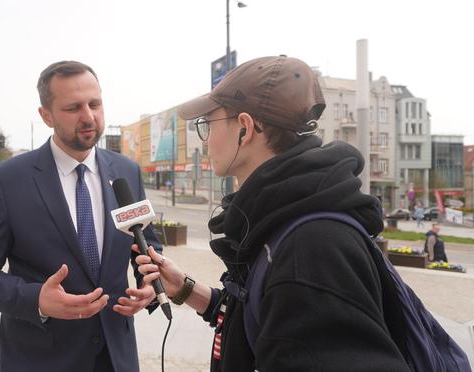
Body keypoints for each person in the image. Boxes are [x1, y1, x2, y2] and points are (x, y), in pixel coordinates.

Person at [135, 55, 410, 371]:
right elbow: (264, 319)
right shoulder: (280, 218)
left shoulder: (309, 250)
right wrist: (186, 289)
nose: (206, 141)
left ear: (245, 128)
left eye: (207, 125)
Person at [0, 61, 161, 372]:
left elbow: (146, 245)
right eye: (73, 107)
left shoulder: (126, 172)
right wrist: (36, 298)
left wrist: (150, 286)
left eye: (95, 104)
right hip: (39, 359)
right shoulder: (9, 180)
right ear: (46, 115)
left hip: (116, 358)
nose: (89, 116)